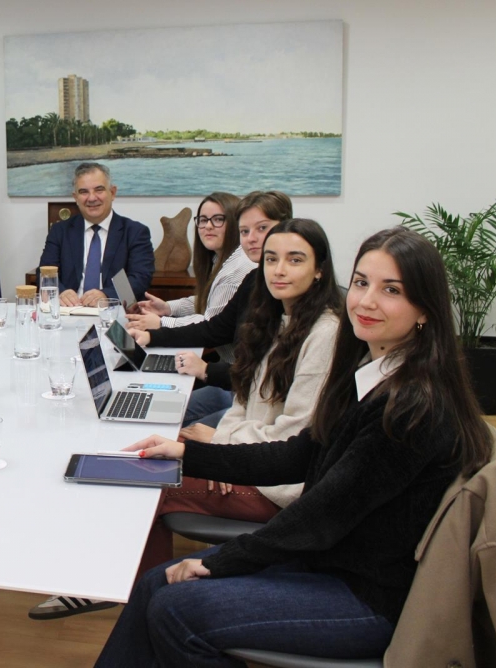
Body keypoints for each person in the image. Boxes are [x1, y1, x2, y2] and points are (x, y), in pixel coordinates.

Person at [95, 227, 493, 667]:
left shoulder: (411, 407)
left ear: (424, 310)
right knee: (156, 584)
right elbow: (299, 454)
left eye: (391, 290)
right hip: (325, 561)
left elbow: (323, 514)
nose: (366, 301)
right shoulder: (371, 372)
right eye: (361, 283)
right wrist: (188, 454)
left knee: (175, 609)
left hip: (364, 595)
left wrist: (223, 562)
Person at [136, 218, 343, 579]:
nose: (279, 270)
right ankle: (142, 586)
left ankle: (142, 588)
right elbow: (243, 402)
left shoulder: (325, 334)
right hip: (247, 457)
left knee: (149, 479)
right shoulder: (277, 320)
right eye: (271, 259)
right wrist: (222, 448)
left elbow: (293, 439)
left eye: (295, 260)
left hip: (278, 485)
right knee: (148, 450)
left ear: (320, 270)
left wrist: (222, 445)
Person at [131, 191, 293, 428]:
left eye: (262, 228)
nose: (251, 238)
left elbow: (262, 375)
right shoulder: (254, 279)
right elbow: (216, 328)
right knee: (151, 411)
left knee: (175, 430)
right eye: (245, 231)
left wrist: (205, 369)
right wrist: (153, 335)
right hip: (238, 386)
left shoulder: (256, 278)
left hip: (257, 402)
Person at [126, 192, 256, 347]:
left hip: (232, 360)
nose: (208, 226)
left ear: (236, 224)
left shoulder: (236, 270)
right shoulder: (221, 258)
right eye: (203, 220)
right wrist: (167, 308)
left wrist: (161, 322)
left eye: (218, 219)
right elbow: (210, 299)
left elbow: (210, 324)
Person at [37, 162, 154, 306]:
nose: (92, 198)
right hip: (70, 311)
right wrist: (61, 292)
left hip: (113, 311)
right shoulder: (60, 231)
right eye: (84, 192)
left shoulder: (135, 232)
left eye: (99, 190)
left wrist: (107, 295)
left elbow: (140, 278)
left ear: (112, 193)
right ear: (75, 197)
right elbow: (44, 273)